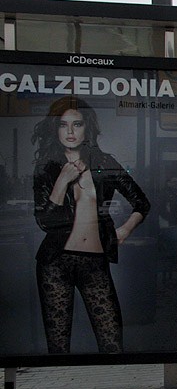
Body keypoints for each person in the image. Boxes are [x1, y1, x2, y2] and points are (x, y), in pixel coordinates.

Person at [32, 96, 150, 354]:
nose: (71, 132)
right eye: (64, 125)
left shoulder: (103, 162)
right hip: (55, 263)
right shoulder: (47, 168)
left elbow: (142, 202)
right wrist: (62, 181)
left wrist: (124, 230)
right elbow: (44, 221)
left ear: (88, 127)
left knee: (111, 342)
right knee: (58, 345)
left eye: (77, 124)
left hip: (94, 261)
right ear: (56, 128)